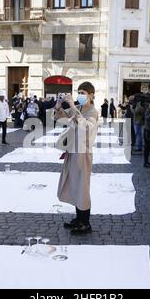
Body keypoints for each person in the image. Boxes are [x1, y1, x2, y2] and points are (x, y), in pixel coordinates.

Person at [55, 82, 98, 234]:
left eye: (83, 92)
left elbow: (85, 126)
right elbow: (60, 120)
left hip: (83, 154)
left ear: (91, 95)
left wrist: (72, 106)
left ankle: (85, 223)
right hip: (72, 151)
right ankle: (79, 219)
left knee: (82, 188)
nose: (80, 95)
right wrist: (59, 106)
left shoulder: (92, 111)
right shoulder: (79, 109)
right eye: (78, 92)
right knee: (75, 186)